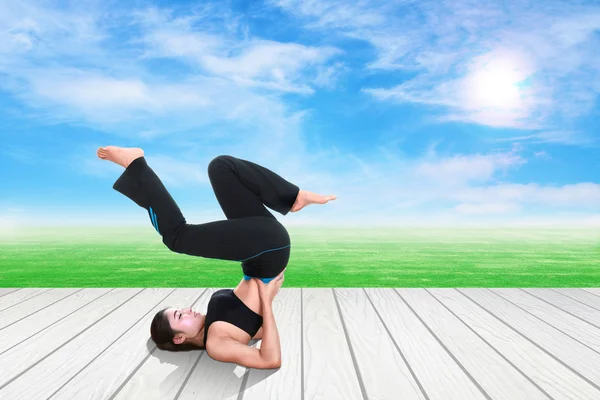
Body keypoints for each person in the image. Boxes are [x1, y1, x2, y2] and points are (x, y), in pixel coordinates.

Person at [97, 146, 336, 369]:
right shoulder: (216, 345)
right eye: (180, 316)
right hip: (268, 251)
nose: (187, 309)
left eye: (180, 310)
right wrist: (266, 300)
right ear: (179, 338)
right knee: (177, 237)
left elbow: (257, 330)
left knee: (221, 167)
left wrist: (262, 303)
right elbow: (270, 359)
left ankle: (293, 197)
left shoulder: (216, 327)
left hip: (262, 247)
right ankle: (136, 164)